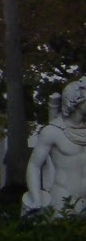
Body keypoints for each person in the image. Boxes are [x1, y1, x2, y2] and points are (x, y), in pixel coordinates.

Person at [24, 78, 86, 216]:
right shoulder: (53, 131)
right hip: (63, 198)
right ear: (76, 101)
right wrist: (36, 197)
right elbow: (34, 165)